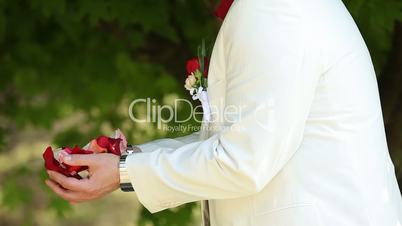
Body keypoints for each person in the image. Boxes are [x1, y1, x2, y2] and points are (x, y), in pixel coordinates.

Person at [45, 0, 402, 225]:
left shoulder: (274, 11)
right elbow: (234, 141)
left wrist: (125, 172)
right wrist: (127, 161)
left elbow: (243, 162)